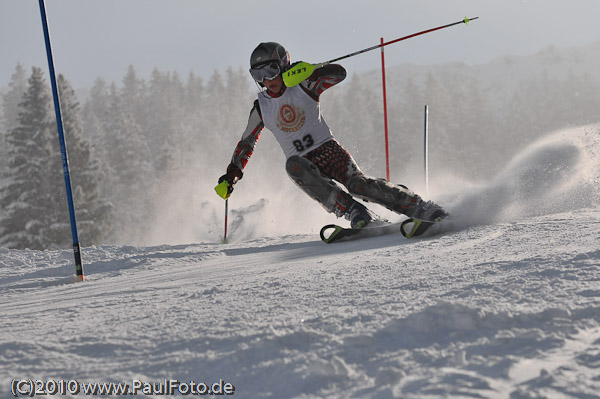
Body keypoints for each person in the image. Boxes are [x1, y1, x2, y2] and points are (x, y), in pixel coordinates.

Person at [217, 42, 446, 229]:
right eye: (259, 75)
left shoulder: (305, 84)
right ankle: (355, 213)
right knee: (293, 165)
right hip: (304, 163)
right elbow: (246, 143)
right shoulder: (262, 108)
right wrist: (232, 175)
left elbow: (339, 74)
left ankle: (418, 206)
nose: (267, 80)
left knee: (358, 185)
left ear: (283, 66)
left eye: (271, 71)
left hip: (328, 150)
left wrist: (309, 70)